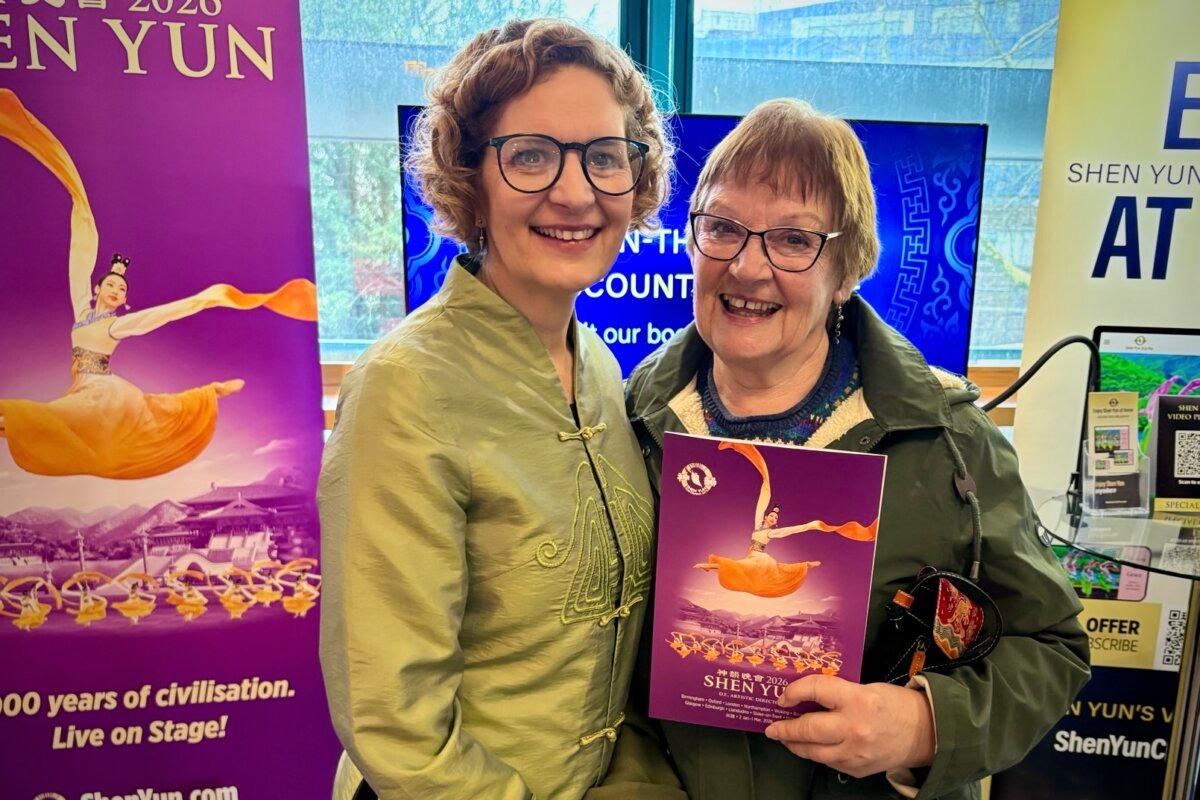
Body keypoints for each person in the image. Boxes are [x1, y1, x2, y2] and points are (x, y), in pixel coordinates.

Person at [598, 99, 1089, 800]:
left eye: (794, 240)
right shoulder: (627, 424)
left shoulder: (945, 440)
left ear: (848, 270)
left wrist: (924, 726)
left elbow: (1052, 647)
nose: (746, 266)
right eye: (724, 228)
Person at [318, 18, 672, 800]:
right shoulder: (404, 389)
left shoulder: (606, 373)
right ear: (469, 176)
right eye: (532, 155)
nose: (575, 192)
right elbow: (397, 726)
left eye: (605, 157)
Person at [0, 89, 318, 479]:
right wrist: (80, 206)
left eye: (122, 289)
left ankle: (210, 393)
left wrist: (205, 299)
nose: (116, 290)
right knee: (44, 423)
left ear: (123, 301)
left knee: (34, 418)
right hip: (81, 391)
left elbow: (167, 314)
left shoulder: (116, 325)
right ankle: (211, 391)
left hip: (102, 395)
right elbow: (80, 254)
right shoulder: (81, 310)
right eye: (111, 284)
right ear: (97, 289)